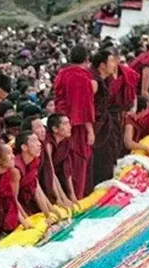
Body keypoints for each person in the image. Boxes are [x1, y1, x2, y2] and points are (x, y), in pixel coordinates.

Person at [54, 45, 96, 198]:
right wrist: (90, 130)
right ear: (87, 59)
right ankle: (77, 196)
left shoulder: (62, 74)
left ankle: (66, 197)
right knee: (77, 164)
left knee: (65, 162)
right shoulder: (83, 77)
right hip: (77, 127)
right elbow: (84, 106)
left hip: (60, 124)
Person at [91, 50, 122, 187]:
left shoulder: (106, 80)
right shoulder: (94, 82)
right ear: (102, 65)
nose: (114, 64)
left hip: (105, 122)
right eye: (111, 61)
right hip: (96, 125)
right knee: (101, 158)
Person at [12, 131, 56, 222]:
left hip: (26, 204)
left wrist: (48, 215)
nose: (39, 144)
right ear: (24, 147)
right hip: (14, 211)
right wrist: (27, 220)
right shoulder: (16, 169)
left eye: (38, 141)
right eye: (34, 141)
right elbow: (13, 199)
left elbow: (37, 190)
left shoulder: (34, 161)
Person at [0, 142, 24, 242]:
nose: (13, 156)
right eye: (9, 153)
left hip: (1, 218)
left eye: (12, 153)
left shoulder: (7, 173)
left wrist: (25, 222)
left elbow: (12, 200)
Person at [40, 114, 77, 207]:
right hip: (43, 179)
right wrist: (61, 199)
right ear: (55, 129)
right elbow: (49, 171)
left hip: (56, 179)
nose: (70, 126)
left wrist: (72, 195)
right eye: (65, 124)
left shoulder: (65, 142)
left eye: (69, 123)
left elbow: (67, 170)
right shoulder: (48, 143)